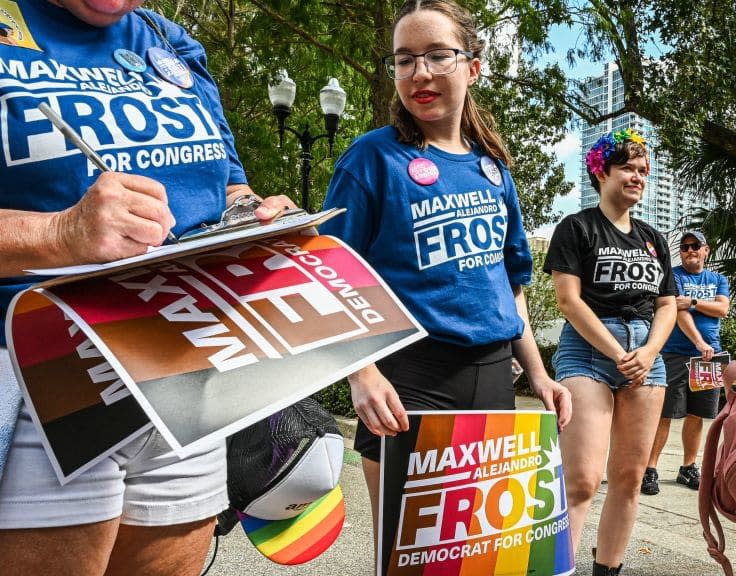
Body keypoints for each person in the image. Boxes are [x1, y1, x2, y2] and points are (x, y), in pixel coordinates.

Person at [0, 1, 296, 574]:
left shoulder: (167, 38)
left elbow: (226, 190)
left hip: (180, 368)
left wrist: (261, 218)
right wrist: (58, 232)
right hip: (37, 372)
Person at [318, 0, 571, 543]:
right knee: (410, 555)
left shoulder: (493, 167)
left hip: (492, 376)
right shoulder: (370, 159)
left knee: (482, 557)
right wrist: (360, 373)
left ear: (473, 67)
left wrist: (539, 373)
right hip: (406, 381)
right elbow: (326, 274)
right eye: (404, 60)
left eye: (437, 55)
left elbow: (511, 290)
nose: (420, 73)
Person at [544, 129, 676, 576]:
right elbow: (568, 300)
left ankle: (608, 570)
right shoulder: (576, 227)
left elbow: (666, 304)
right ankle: (558, 569)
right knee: (581, 480)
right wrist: (620, 350)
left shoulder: (654, 238)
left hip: (646, 358)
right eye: (628, 169)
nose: (638, 177)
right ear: (601, 171)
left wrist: (650, 350)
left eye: (643, 171)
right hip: (588, 352)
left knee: (628, 479)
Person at [641, 229, 729, 495]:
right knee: (665, 413)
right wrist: (699, 341)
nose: (689, 250)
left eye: (695, 246)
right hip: (676, 353)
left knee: (697, 414)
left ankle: (688, 468)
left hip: (709, 357)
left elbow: (722, 309)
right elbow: (677, 311)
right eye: (685, 247)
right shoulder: (674, 275)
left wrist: (691, 301)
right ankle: (650, 469)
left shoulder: (717, 279)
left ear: (706, 250)